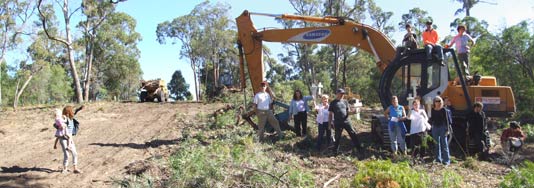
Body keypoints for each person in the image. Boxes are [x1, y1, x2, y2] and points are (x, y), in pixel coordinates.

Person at [328, 88, 362, 154]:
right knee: (337, 137)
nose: (342, 95)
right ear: (337, 94)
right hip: (338, 123)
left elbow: (348, 111)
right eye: (341, 93)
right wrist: (329, 124)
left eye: (343, 94)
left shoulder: (345, 101)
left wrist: (354, 112)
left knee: (353, 133)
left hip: (346, 121)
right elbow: (330, 114)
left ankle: (359, 148)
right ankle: (335, 151)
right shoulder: (333, 103)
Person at [60, 105, 84, 173]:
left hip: (70, 138)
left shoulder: (71, 118)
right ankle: (65, 169)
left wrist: (79, 109)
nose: (73, 111)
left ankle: (75, 168)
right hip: (64, 138)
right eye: (71, 110)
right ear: (69, 111)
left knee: (74, 153)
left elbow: (75, 112)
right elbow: (58, 122)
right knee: (66, 154)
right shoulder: (65, 118)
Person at [428, 96, 451, 165]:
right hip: (435, 128)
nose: (438, 102)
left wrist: (448, 130)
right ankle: (438, 159)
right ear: (434, 102)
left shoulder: (444, 110)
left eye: (439, 101)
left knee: (444, 144)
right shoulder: (432, 109)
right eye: (436, 101)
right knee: (436, 144)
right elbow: (432, 119)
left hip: (442, 128)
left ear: (441, 102)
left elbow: (447, 121)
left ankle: (446, 160)